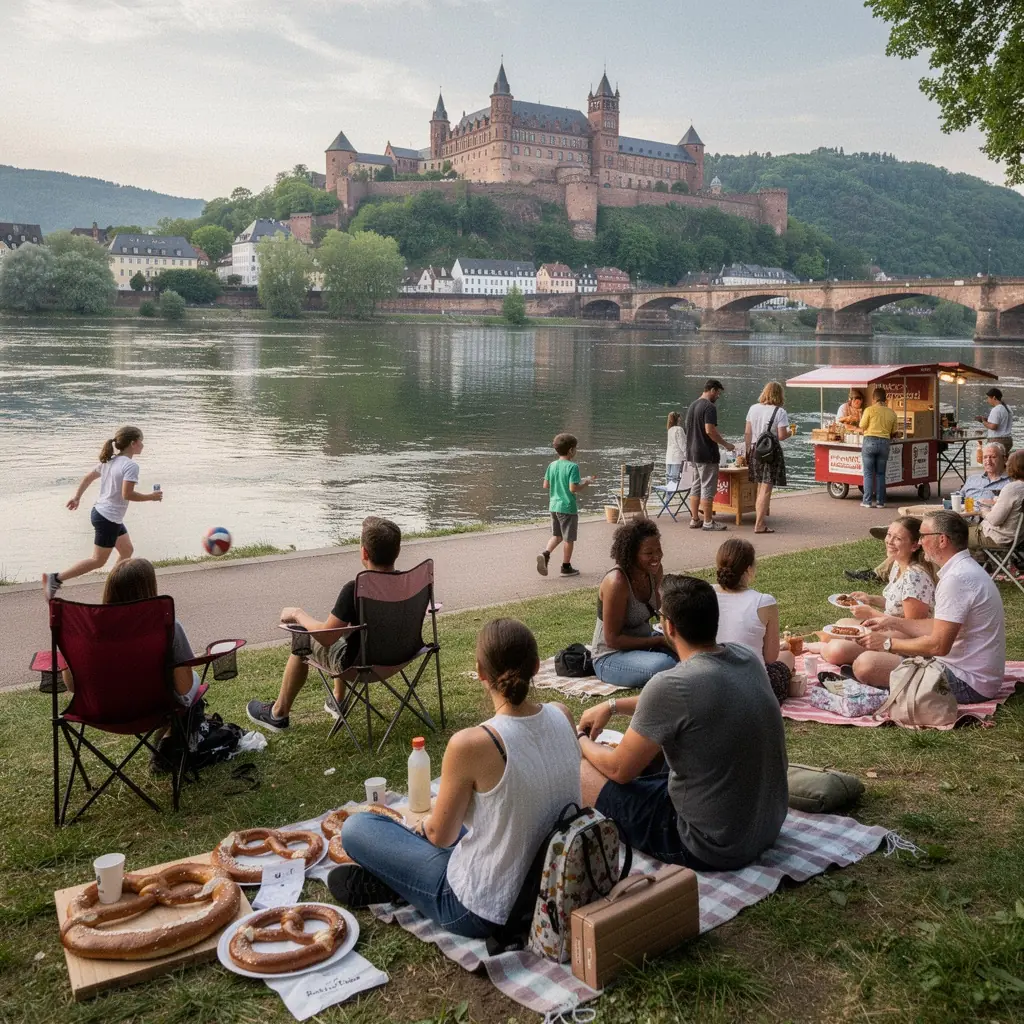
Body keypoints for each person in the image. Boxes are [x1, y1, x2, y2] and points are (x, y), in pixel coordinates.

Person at [327, 618, 581, 936]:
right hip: (557, 885)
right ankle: (400, 883)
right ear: (534, 665)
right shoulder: (562, 713)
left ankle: (398, 884)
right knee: (465, 821)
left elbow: (441, 837)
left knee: (357, 828)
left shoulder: (472, 743)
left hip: (486, 909)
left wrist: (424, 826)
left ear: (480, 672)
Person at [577, 575, 788, 870]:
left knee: (583, 771)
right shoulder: (744, 658)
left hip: (708, 845)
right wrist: (612, 706)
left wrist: (582, 741)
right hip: (766, 827)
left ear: (669, 626)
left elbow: (618, 769)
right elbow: (685, 701)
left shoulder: (670, 685)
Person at [246, 516, 402, 732]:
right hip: (399, 658)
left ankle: (278, 713)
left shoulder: (355, 589)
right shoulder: (408, 582)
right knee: (345, 629)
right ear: (397, 550)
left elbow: (327, 637)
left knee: (304, 637)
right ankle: (337, 699)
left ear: (364, 553)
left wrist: (298, 614)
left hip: (360, 666)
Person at [850, 511, 1006, 704]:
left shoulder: (956, 579)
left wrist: (887, 644)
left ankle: (890, 689)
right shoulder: (962, 570)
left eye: (924, 536)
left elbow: (938, 646)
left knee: (865, 665)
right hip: (972, 674)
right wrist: (892, 622)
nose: (921, 542)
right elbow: (938, 626)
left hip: (966, 682)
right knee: (867, 660)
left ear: (942, 540)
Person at [845, 442, 1010, 584]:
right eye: (986, 457)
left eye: (993, 457)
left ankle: (892, 543)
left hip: (977, 526)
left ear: (1004, 458)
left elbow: (1000, 515)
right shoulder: (974, 479)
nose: (988, 460)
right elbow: (959, 498)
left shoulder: (1009, 486)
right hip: (956, 518)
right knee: (921, 533)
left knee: (923, 537)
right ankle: (896, 540)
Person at [43, 426, 163, 600]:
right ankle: (55, 579)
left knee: (126, 550)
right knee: (98, 560)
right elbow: (127, 494)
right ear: (133, 443)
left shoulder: (110, 461)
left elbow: (87, 478)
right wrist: (151, 497)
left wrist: (77, 497)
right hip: (108, 518)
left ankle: (115, 587)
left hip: (102, 513)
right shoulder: (130, 466)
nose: (143, 445)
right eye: (141, 441)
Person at [63, 558, 199, 707]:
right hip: (154, 710)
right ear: (149, 589)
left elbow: (71, 686)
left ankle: (169, 730)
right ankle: (176, 729)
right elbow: (183, 687)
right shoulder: (169, 627)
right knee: (195, 678)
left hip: (103, 710)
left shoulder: (87, 631)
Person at [821, 517, 935, 670]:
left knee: (836, 650)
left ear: (914, 545)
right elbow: (897, 603)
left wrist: (871, 613)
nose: (889, 541)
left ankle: (820, 649)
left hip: (904, 639)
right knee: (840, 624)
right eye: (889, 535)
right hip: (890, 628)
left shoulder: (915, 577)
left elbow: (913, 627)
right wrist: (870, 599)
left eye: (898, 538)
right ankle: (830, 649)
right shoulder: (898, 564)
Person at [591, 518, 678, 688]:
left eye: (659, 550)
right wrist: (659, 642)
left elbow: (660, 608)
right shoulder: (616, 582)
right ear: (632, 554)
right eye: (649, 553)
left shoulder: (654, 571)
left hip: (645, 644)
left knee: (692, 650)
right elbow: (612, 640)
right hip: (610, 657)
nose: (656, 557)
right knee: (665, 665)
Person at [713, 539, 795, 703]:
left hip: (713, 683)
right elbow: (771, 657)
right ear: (749, 569)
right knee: (788, 656)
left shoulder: (705, 593)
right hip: (752, 691)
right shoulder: (764, 602)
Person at [537, 432, 593, 578]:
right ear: (570, 451)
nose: (576, 451)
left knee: (557, 536)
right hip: (567, 507)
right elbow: (573, 488)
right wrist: (585, 483)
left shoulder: (552, 465)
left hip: (554, 506)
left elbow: (545, 485)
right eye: (575, 448)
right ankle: (566, 567)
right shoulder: (572, 467)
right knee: (569, 538)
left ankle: (546, 553)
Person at [744, 381, 796, 534]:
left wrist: (748, 451)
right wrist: (791, 432)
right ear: (779, 395)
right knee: (766, 489)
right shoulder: (780, 412)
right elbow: (781, 436)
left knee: (760, 487)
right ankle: (759, 525)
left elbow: (747, 432)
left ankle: (759, 521)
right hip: (770, 454)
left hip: (755, 450)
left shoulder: (753, 409)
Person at [683, 378, 735, 532]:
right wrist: (725, 444)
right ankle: (708, 522)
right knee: (707, 488)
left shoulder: (693, 405)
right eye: (718, 393)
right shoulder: (709, 407)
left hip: (692, 452)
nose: (718, 396)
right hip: (706, 453)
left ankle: (694, 519)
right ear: (712, 390)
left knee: (696, 486)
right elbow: (709, 430)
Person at [968, 448, 1024, 552]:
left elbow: (995, 520)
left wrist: (983, 511)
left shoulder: (1012, 488)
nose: (1006, 464)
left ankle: (969, 567)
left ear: (1014, 467)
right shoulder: (1019, 488)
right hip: (1019, 537)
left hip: (999, 538)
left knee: (954, 533)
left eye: (1008, 463)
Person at [859, 388, 898, 509]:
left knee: (868, 473)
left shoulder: (869, 410)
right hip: (884, 443)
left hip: (869, 441)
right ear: (886, 399)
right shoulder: (892, 413)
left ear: (874, 398)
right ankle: (881, 502)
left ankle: (867, 501)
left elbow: (862, 426)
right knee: (881, 474)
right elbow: (894, 432)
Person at [975, 387, 1014, 454]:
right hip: (1008, 440)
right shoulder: (1007, 408)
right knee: (1003, 461)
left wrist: (983, 421)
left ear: (994, 397)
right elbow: (1002, 421)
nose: (988, 400)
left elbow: (993, 426)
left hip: (998, 441)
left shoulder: (996, 409)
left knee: (994, 461)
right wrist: (986, 419)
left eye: (988, 398)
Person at [665, 411, 685, 484]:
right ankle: (672, 493)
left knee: (668, 479)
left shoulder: (670, 429)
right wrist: (687, 454)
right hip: (677, 458)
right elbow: (682, 444)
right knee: (674, 479)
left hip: (669, 457)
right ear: (678, 419)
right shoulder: (679, 429)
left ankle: (668, 495)